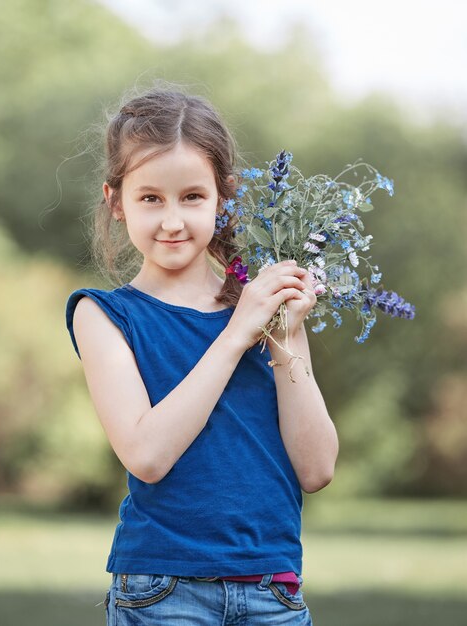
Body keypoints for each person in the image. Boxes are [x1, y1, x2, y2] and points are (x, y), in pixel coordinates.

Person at [65, 84, 339, 625]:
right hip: (162, 592)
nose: (172, 220)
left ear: (224, 197)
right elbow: (146, 455)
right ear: (116, 202)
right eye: (150, 198)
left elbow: (317, 467)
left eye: (192, 196)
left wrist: (290, 334)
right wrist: (238, 332)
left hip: (273, 591)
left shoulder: (263, 308)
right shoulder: (103, 315)